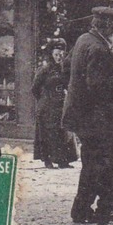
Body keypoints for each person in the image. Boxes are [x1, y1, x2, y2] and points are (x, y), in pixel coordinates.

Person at [62, 6, 113, 224]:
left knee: (92, 161)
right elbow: (98, 86)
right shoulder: (99, 49)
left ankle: (86, 209)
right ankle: (96, 210)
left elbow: (65, 67)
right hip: (95, 117)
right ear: (108, 26)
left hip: (80, 114)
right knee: (100, 163)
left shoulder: (83, 40)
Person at [32, 37, 76, 168]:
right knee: (48, 132)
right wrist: (44, 99)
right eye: (56, 54)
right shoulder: (45, 69)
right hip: (47, 105)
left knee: (62, 131)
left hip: (61, 103)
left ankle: (63, 160)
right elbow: (34, 88)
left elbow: (68, 85)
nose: (59, 57)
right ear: (51, 54)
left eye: (61, 54)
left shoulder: (65, 69)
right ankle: (47, 159)